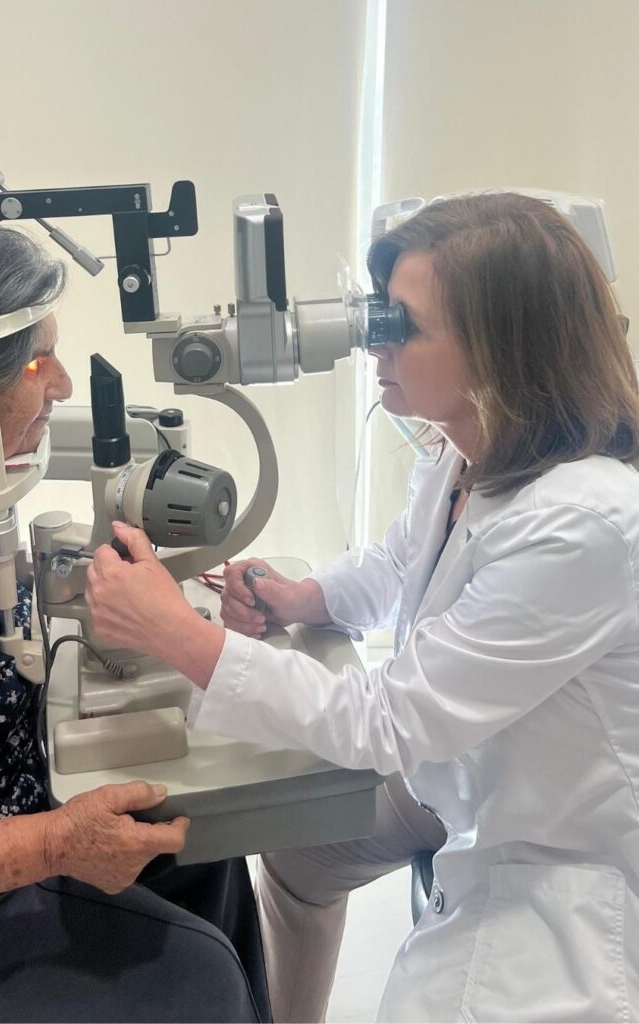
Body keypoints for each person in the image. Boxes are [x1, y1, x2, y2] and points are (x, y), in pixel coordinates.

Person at [85, 192, 639, 1023]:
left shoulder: (585, 521)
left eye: (401, 324)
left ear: (501, 343)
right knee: (300, 859)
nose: (373, 343)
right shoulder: (465, 448)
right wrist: (307, 596)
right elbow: (396, 563)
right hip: (463, 765)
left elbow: (386, 721)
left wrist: (176, 636)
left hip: (560, 843)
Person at [0, 221, 271, 1024]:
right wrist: (53, 844)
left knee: (208, 849)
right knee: (198, 973)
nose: (61, 384)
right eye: (34, 363)